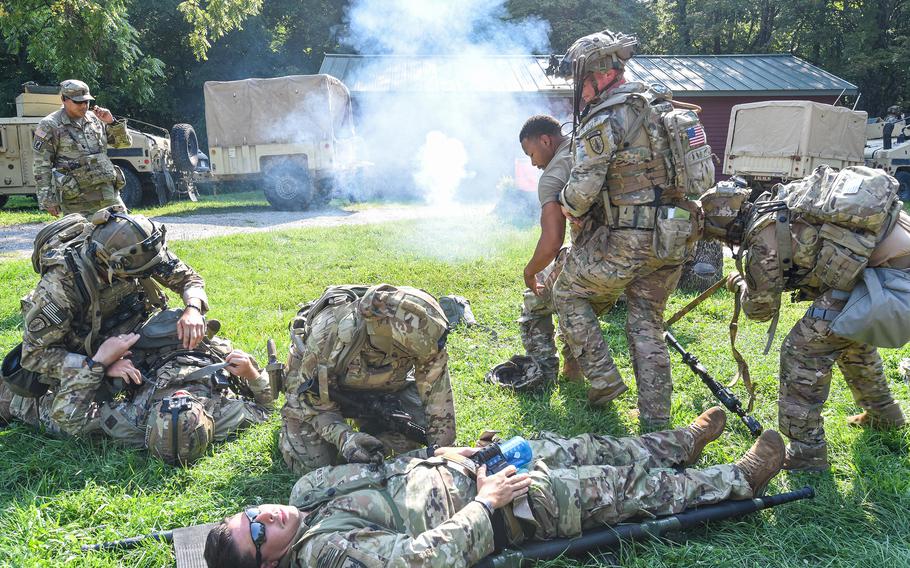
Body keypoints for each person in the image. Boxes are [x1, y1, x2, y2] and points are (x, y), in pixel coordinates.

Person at [203, 407, 786, 568]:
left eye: (250, 512)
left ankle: (681, 443)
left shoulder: (306, 490)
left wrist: (442, 455)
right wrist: (486, 502)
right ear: (269, 565)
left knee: (588, 446)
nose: (266, 515)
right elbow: (420, 560)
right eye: (257, 533)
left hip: (476, 465)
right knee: (619, 488)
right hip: (504, 506)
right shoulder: (324, 551)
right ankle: (738, 479)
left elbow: (388, 471)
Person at [551, 30, 713, 431]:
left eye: (581, 80)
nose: (579, 90)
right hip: (673, 238)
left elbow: (584, 188)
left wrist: (566, 205)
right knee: (646, 323)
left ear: (601, 74)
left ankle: (604, 380)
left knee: (567, 292)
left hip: (627, 239)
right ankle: (656, 418)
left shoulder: (608, 117)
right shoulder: (661, 105)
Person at [700, 167, 910, 471]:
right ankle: (884, 417)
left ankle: (805, 452)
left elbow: (759, 311)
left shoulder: (760, 239)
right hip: (891, 263)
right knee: (848, 336)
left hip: (890, 276)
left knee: (801, 351)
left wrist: (740, 284)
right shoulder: (780, 204)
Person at [0, 208, 209, 441]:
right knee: (75, 423)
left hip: (124, 334)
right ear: (111, 266)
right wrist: (101, 364)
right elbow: (34, 355)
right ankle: (19, 404)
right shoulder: (60, 289)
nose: (148, 274)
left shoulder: (139, 248)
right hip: (81, 353)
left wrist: (193, 308)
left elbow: (189, 278)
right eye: (135, 275)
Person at [279, 284, 456, 474]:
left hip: (386, 388)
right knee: (317, 465)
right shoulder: (328, 337)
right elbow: (316, 407)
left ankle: (371, 427)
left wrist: (442, 459)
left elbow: (439, 407)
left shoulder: (425, 335)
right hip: (320, 394)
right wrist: (345, 438)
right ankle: (291, 427)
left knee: (414, 441)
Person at [507, 115, 582, 387]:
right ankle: (574, 365)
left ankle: (543, 369)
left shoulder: (553, 173)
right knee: (567, 293)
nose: (533, 163)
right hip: (641, 251)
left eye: (532, 153)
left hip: (594, 257)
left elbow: (552, 242)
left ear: (546, 140)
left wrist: (530, 271)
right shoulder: (585, 145)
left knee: (536, 298)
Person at [32, 79, 133, 217]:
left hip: (107, 193)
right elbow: (41, 165)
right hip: (77, 199)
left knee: (123, 232)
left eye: (87, 101)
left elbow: (123, 144)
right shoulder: (50, 125)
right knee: (82, 236)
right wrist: (48, 199)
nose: (84, 106)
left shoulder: (96, 119)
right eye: (78, 102)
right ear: (63, 99)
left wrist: (111, 122)